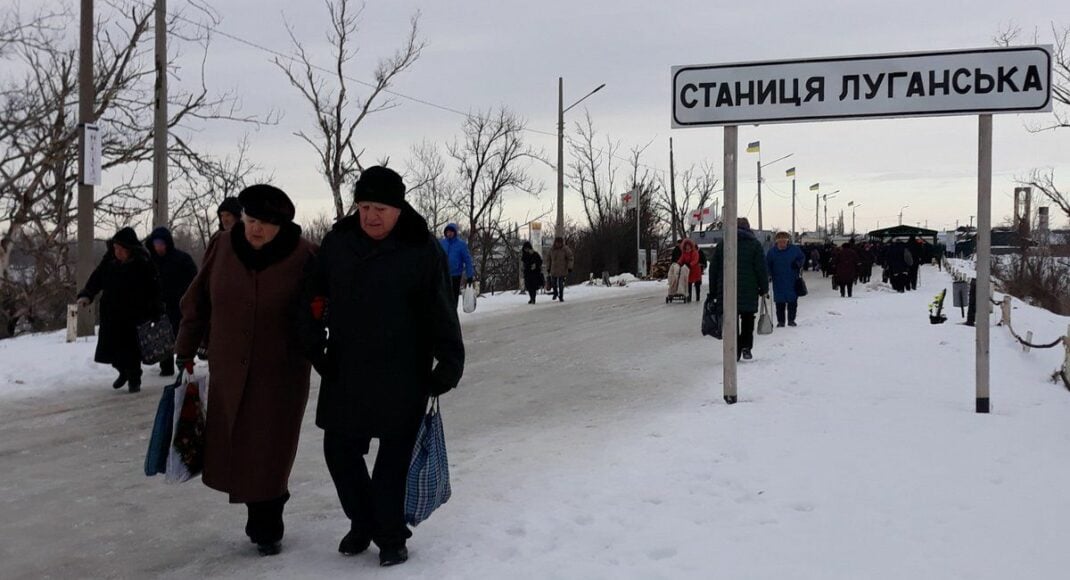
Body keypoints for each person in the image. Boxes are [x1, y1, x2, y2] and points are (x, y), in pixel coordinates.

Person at [303, 166, 464, 568]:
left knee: (392, 461)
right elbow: (315, 294)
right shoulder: (338, 243)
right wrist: (313, 337)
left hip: (403, 370)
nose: (371, 216)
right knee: (338, 449)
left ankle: (390, 536)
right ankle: (363, 521)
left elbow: (441, 309)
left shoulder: (422, 249)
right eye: (364, 206)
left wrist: (450, 360)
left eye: (380, 208)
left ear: (398, 208)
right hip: (346, 366)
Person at [174, 184, 317, 557]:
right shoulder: (222, 247)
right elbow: (197, 301)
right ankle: (261, 516)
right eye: (252, 220)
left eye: (266, 224)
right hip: (229, 369)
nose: (256, 230)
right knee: (238, 444)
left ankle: (268, 522)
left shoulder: (304, 256)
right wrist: (185, 349)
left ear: (283, 226)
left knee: (270, 449)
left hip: (280, 372)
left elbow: (328, 305)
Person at [76, 227, 161, 393]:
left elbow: (155, 287)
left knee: (131, 349)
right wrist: (87, 294)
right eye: (115, 249)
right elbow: (97, 278)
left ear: (130, 250)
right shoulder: (109, 262)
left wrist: (156, 308)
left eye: (121, 249)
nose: (118, 252)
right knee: (112, 349)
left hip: (135, 314)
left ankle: (134, 379)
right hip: (112, 314)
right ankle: (123, 371)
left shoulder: (143, 263)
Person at [709, 218, 769, 361]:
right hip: (749, 289)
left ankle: (734, 350)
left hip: (727, 290)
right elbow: (761, 269)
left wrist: (713, 291)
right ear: (748, 228)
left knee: (731, 321)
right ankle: (746, 347)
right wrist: (764, 288)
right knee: (748, 319)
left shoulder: (723, 245)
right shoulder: (755, 245)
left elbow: (714, 269)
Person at [144, 227, 197, 376]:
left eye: (161, 243)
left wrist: (190, 299)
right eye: (156, 243)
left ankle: (185, 364)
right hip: (159, 306)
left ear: (167, 243)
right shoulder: (150, 262)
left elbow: (195, 279)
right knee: (163, 337)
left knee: (182, 336)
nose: (159, 246)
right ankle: (166, 367)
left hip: (180, 304)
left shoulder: (181, 259)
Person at [765, 231, 805, 327]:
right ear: (777, 242)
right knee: (780, 302)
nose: (782, 244)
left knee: (792, 301)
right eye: (780, 241)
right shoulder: (772, 252)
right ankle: (781, 321)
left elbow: (802, 258)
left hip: (792, 279)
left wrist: (798, 264)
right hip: (778, 280)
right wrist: (768, 274)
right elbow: (767, 264)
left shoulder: (794, 250)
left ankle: (791, 320)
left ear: (788, 241)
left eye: (784, 241)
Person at [439, 223, 475, 307]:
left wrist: (469, 275)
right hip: (443, 274)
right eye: (447, 232)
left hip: (455, 275)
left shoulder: (461, 245)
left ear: (455, 232)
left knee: (453, 297)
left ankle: (453, 314)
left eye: (451, 231)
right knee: (443, 297)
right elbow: (435, 257)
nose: (449, 233)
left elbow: (467, 260)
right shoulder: (441, 243)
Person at [546, 236, 574, 302]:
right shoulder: (552, 249)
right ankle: (555, 293)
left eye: (559, 243)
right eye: (557, 243)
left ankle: (561, 296)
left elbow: (570, 258)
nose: (558, 244)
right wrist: (548, 267)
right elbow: (548, 259)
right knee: (553, 283)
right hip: (554, 269)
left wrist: (570, 267)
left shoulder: (565, 249)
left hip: (562, 269)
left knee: (561, 284)